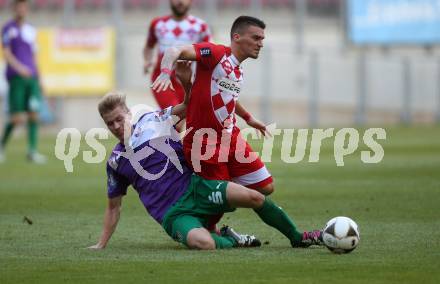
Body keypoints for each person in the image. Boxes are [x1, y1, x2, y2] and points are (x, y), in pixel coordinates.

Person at [88, 92, 324, 250]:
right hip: (174, 215)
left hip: (197, 188)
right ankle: (230, 240)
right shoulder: (116, 161)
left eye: (119, 119)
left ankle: (298, 237)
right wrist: (101, 245)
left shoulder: (153, 120)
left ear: (129, 114)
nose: (116, 126)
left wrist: (187, 83)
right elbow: (113, 207)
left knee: (254, 196)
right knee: (205, 244)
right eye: (110, 123)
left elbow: (187, 105)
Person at [151, 16, 272, 230]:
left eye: (262, 38)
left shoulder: (238, 69)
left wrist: (249, 118)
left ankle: (209, 189)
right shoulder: (216, 54)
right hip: (204, 142)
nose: (261, 43)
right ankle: (206, 198)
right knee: (216, 212)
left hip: (230, 136)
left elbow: (228, 95)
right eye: (256, 38)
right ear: (237, 37)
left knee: (265, 186)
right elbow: (173, 51)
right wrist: (165, 73)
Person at [143, 0, 211, 111]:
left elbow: (210, 52)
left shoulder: (200, 26)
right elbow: (149, 46)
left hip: (188, 80)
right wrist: (147, 60)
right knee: (175, 116)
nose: (180, 1)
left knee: (184, 119)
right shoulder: (157, 24)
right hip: (163, 78)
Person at [0, 0, 46, 163]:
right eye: (18, 7)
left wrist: (39, 78)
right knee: (17, 118)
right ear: (14, 9)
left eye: (23, 7)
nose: (21, 10)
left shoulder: (31, 30)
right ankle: (1, 145)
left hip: (31, 79)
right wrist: (20, 68)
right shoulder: (8, 28)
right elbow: (6, 52)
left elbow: (34, 56)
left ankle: (32, 152)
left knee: (34, 114)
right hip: (17, 78)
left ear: (26, 9)